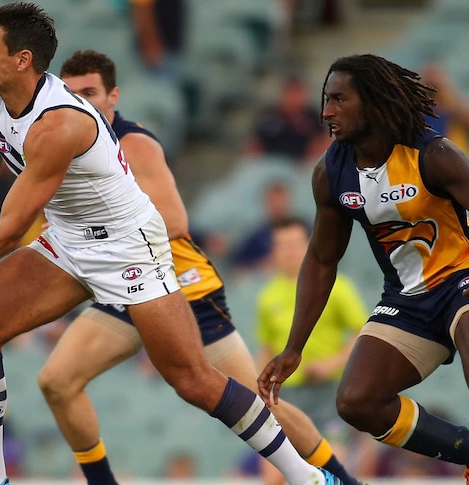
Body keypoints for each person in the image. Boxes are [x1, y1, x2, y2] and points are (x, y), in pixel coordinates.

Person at [0, 5, 342, 485]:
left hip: (129, 248)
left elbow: (10, 230)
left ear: (22, 60)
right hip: (69, 241)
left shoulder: (59, 125)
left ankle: (309, 478)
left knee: (193, 380)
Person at [257, 54, 469, 485]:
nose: (327, 112)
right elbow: (322, 260)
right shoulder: (331, 173)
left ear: (373, 102)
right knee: (357, 401)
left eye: (339, 100)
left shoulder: (433, 154)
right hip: (406, 298)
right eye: (326, 100)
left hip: (466, 281)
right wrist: (294, 347)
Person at [38, 49, 362, 485]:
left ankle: (340, 479)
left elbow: (173, 221)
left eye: (90, 93)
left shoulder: (133, 144)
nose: (80, 102)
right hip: (122, 287)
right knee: (56, 381)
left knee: (261, 402)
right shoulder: (63, 150)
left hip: (180, 287)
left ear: (113, 96)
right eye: (71, 94)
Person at [256, 217, 367, 433]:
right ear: (274, 251)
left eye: (294, 244)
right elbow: (266, 346)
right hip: (285, 393)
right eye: (282, 245)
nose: (289, 251)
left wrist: (333, 362)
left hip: (328, 390)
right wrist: (259, 386)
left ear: (308, 244)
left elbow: (363, 332)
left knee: (333, 455)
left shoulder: (336, 286)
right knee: (276, 461)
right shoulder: (267, 296)